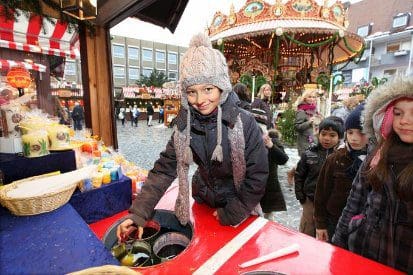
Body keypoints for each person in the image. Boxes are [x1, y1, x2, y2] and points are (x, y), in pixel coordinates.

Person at [116, 33, 268, 241]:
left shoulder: (244, 123)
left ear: (221, 86)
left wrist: (232, 212)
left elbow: (257, 176)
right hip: (203, 202)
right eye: (191, 92)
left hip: (238, 208)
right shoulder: (184, 125)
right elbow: (163, 170)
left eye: (208, 89)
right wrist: (139, 213)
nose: (200, 100)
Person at [332, 77, 413, 273]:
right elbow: (355, 201)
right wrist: (338, 244)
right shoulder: (377, 154)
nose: (405, 121)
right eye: (397, 113)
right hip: (364, 250)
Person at [314, 104, 368, 242]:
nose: (354, 138)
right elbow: (321, 193)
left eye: (361, 133)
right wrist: (320, 224)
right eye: (350, 132)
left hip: (364, 226)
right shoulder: (335, 159)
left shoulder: (376, 161)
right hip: (335, 220)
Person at [294, 117, 344, 237]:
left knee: (326, 231)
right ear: (318, 133)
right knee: (307, 229)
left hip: (329, 202)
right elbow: (299, 175)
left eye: (332, 135)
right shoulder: (309, 154)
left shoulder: (341, 157)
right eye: (324, 134)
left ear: (339, 137)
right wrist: (301, 196)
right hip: (310, 199)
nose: (327, 138)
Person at [287, 89, 323, 185]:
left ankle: (294, 173)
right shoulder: (301, 111)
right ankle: (299, 180)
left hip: (314, 139)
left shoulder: (315, 110)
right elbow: (297, 127)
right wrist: (309, 122)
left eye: (314, 97)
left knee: (309, 162)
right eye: (310, 97)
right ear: (305, 98)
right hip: (305, 141)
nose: (312, 99)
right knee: (306, 161)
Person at [260, 128, 289, 220]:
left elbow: (283, 159)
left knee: (267, 216)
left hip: (268, 185)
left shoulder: (272, 141)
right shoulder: (249, 138)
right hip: (251, 184)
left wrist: (272, 146)